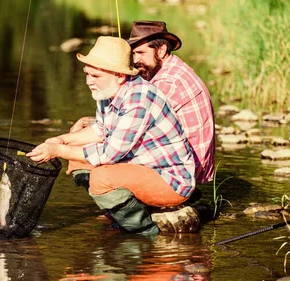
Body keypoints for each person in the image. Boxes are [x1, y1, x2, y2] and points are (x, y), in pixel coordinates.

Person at [26, 36, 195, 235]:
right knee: (77, 155)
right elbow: (100, 130)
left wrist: (57, 150)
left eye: (95, 76)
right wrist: (61, 140)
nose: (89, 82)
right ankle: (119, 209)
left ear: (119, 76)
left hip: (170, 179)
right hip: (142, 166)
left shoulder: (138, 100)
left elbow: (108, 154)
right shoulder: (109, 90)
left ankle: (145, 230)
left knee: (100, 178)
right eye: (87, 74)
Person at [71, 20, 215, 185]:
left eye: (140, 53)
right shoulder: (170, 69)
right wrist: (90, 123)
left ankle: (127, 203)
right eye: (133, 54)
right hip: (182, 160)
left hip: (186, 170)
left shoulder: (167, 83)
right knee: (87, 143)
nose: (136, 60)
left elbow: (133, 121)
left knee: (92, 152)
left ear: (161, 51)